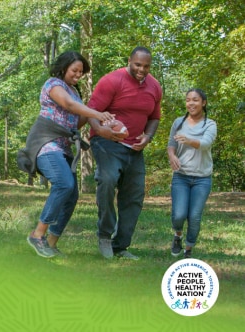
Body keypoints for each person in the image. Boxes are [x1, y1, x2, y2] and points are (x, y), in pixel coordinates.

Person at [24, 51, 114, 258]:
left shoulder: (75, 92)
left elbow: (77, 120)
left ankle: (52, 243)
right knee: (64, 183)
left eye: (81, 72)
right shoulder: (53, 84)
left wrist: (102, 119)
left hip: (63, 147)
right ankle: (37, 235)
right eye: (75, 70)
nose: (78, 75)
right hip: (46, 143)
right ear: (64, 67)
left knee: (71, 195)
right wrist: (97, 113)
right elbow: (69, 106)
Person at [87, 46, 163, 260]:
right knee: (107, 179)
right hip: (106, 142)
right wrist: (101, 129)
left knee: (134, 195)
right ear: (129, 60)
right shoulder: (112, 81)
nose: (142, 69)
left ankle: (120, 246)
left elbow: (154, 117)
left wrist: (148, 136)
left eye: (146, 66)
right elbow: (91, 111)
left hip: (135, 147)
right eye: (138, 65)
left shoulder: (154, 86)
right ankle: (104, 236)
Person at [167, 88, 217, 258]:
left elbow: (205, 143)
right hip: (181, 176)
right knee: (179, 215)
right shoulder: (178, 123)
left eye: (195, 100)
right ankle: (177, 236)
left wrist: (189, 141)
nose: (191, 103)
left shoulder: (209, 124)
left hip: (202, 179)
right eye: (188, 100)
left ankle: (188, 249)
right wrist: (172, 156)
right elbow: (171, 144)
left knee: (194, 216)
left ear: (203, 103)